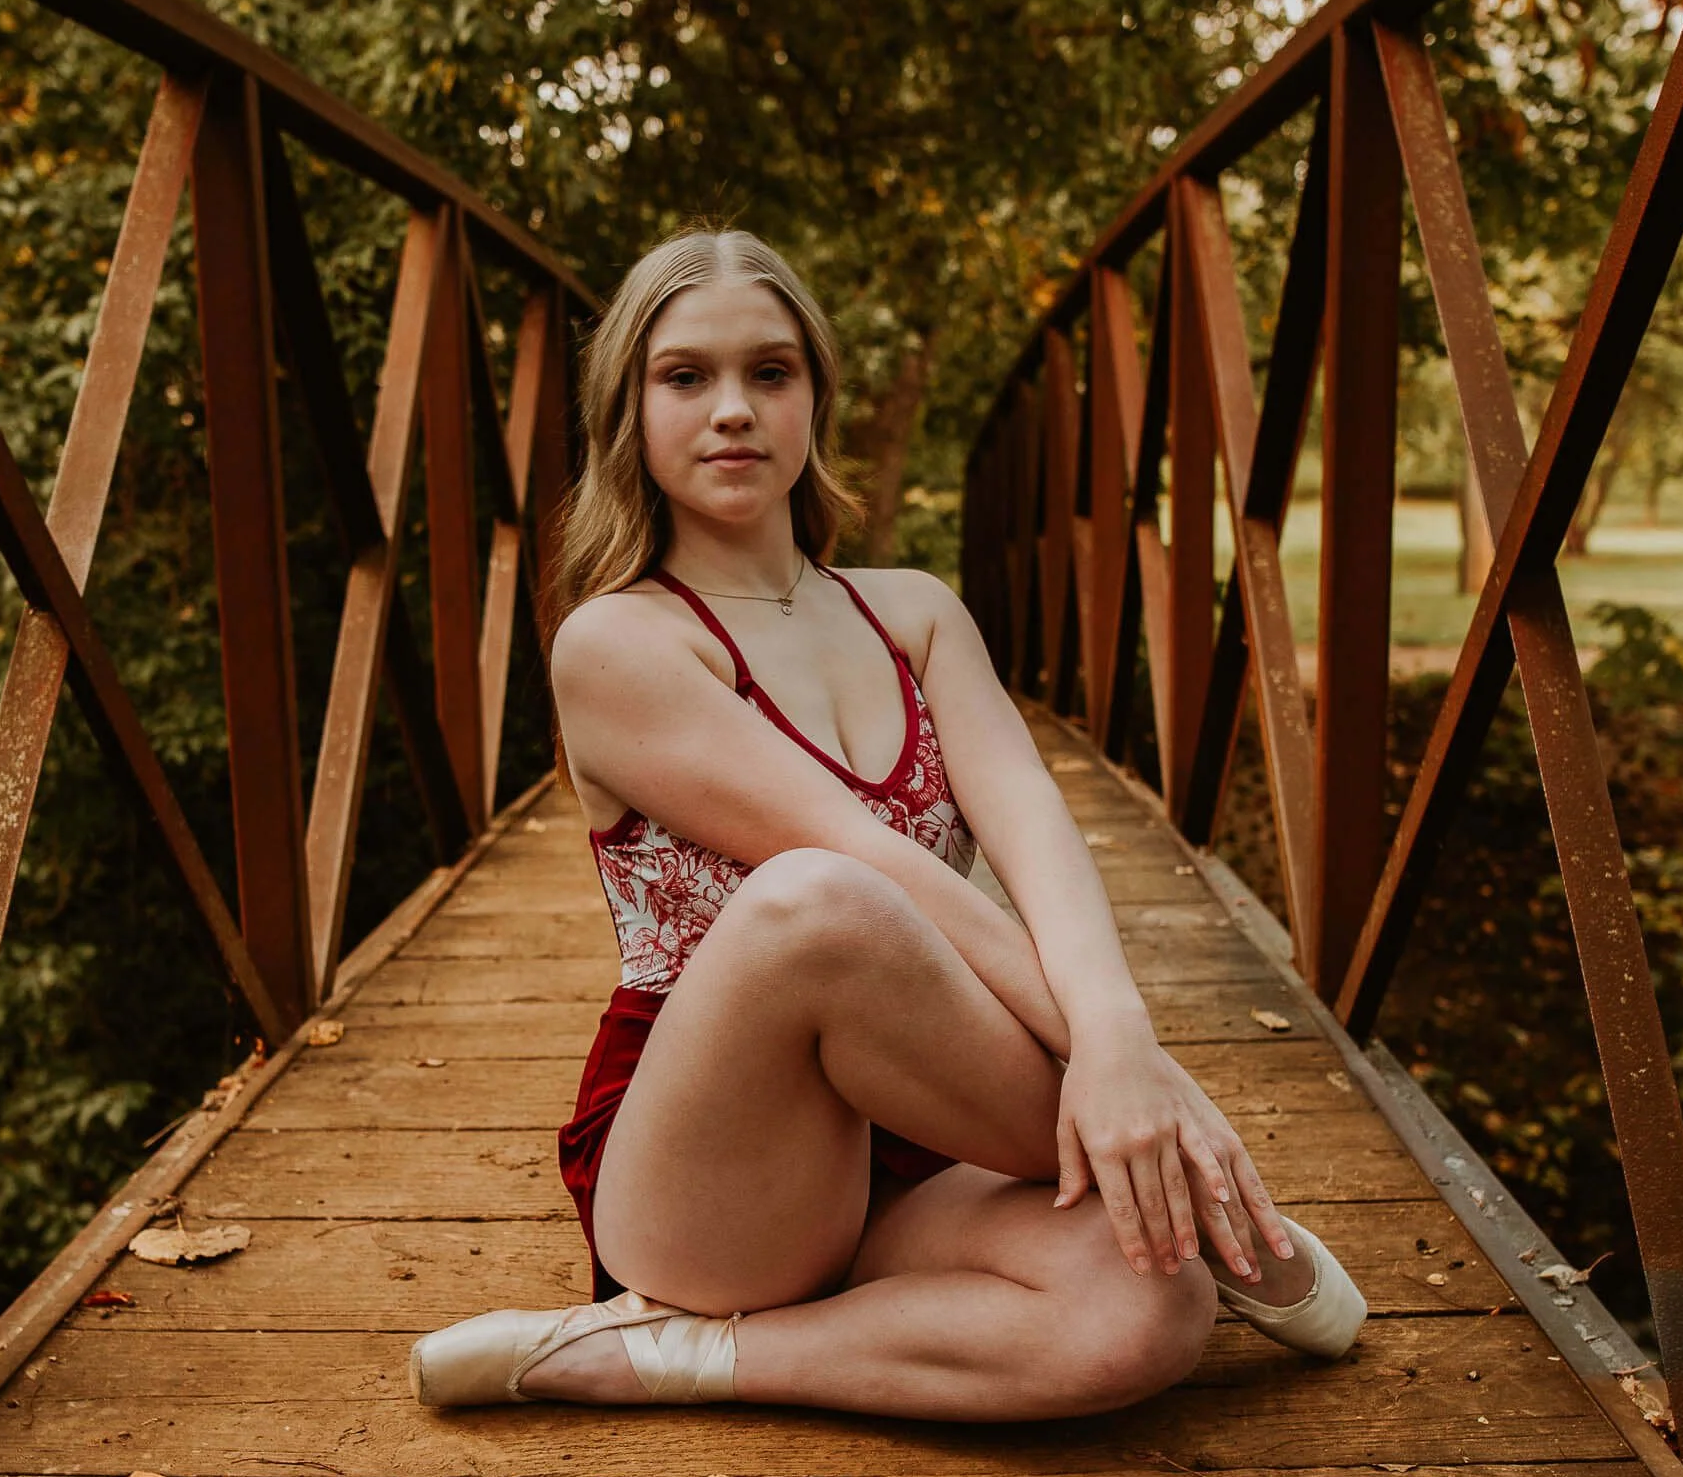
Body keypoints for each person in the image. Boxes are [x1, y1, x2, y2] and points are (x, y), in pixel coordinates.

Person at [412, 229, 1364, 1417]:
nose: (732, 412)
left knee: (1148, 1306)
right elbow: (864, 859)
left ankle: (662, 1357)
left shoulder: (911, 614)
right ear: (627, 411)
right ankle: (1219, 1192)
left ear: (815, 394)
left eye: (770, 373)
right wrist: (1134, 1086)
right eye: (684, 377)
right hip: (712, 1171)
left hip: (904, 1146)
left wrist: (1121, 1041)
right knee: (824, 899)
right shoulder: (616, 644)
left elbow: (1035, 838)